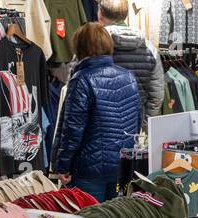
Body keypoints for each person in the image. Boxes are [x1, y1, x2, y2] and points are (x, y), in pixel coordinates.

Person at [49, 24, 141, 200]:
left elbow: (73, 130)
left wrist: (63, 165)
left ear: (79, 47)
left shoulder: (82, 80)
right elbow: (136, 120)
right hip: (122, 165)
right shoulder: (128, 77)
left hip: (88, 169)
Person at [97, 0, 164, 129]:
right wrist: (142, 124)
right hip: (134, 126)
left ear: (100, 14)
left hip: (99, 128)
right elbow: (156, 94)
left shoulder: (92, 45)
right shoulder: (149, 47)